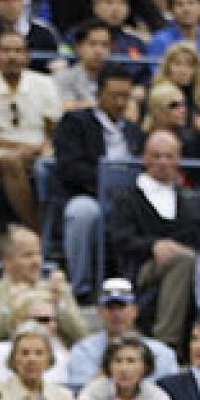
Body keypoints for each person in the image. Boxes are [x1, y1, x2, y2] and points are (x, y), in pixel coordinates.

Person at [108, 129, 200, 353]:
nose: (162, 162)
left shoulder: (193, 198)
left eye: (169, 156)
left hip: (192, 263)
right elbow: (119, 238)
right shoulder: (128, 197)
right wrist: (152, 245)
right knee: (184, 261)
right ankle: (165, 343)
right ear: (145, 158)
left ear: (178, 159)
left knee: (197, 262)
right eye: (156, 156)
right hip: (142, 267)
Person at [53, 63, 144, 299]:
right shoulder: (75, 123)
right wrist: (105, 179)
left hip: (130, 198)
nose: (120, 103)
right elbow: (69, 167)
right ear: (98, 94)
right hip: (87, 193)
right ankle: (80, 288)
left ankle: (135, 287)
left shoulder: (135, 131)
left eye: (125, 97)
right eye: (114, 96)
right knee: (83, 212)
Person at [0, 30, 62, 231]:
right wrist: (20, 148)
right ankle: (36, 230)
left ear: (27, 56)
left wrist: (39, 148)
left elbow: (54, 130)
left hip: (40, 148)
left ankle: (55, 229)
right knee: (11, 162)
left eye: (18, 51)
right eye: (5, 51)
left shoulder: (45, 83)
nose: (12, 56)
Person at [0, 226, 87, 350]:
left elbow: (82, 337)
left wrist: (59, 303)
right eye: (28, 255)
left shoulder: (58, 291)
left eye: (38, 254)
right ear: (7, 260)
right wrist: (11, 310)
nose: (36, 261)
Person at [66, 278, 179, 386]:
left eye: (122, 307)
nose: (116, 314)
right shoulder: (84, 351)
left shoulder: (161, 353)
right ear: (100, 312)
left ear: (135, 311)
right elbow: (81, 393)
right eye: (110, 308)